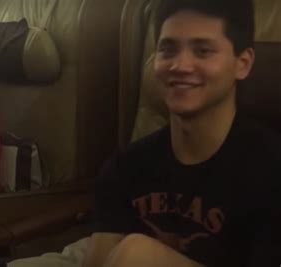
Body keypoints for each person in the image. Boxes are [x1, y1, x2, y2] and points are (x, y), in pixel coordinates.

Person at [82, 0, 281, 266]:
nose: (180, 65)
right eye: (168, 50)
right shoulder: (126, 165)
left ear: (242, 64)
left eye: (202, 51)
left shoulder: (271, 168)